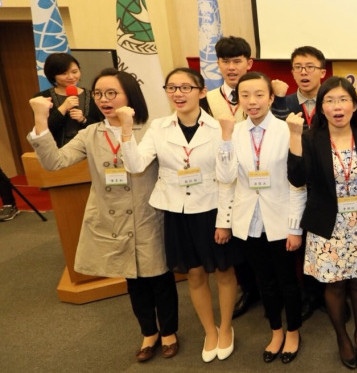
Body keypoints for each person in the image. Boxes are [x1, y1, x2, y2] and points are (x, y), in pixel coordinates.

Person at [28, 69, 178, 362]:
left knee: (160, 278)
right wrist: (40, 120)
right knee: (134, 280)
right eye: (98, 93)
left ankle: (170, 331)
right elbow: (54, 162)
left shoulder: (151, 128)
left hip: (149, 214)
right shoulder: (90, 133)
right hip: (114, 220)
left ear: (129, 95)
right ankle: (149, 332)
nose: (103, 99)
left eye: (112, 93)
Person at [118, 67, 243, 362]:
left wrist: (225, 221)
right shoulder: (159, 127)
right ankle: (209, 330)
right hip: (177, 211)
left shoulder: (220, 127)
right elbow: (135, 166)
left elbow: (228, 177)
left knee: (224, 271)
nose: (178, 93)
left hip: (212, 208)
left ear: (201, 91)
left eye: (186, 87)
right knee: (195, 274)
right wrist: (126, 131)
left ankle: (226, 327)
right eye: (172, 88)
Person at [288, 76, 357, 369]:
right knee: (334, 287)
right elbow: (296, 179)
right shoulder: (310, 139)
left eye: (343, 100)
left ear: (354, 106)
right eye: (330, 101)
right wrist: (294, 137)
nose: (337, 106)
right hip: (327, 227)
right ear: (321, 108)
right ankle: (342, 337)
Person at [216, 71, 307, 364]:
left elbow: (297, 185)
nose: (252, 101)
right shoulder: (233, 132)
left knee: (287, 281)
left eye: (259, 95)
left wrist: (295, 228)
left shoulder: (286, 130)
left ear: (270, 98)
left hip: (280, 219)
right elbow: (225, 178)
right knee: (264, 281)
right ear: (238, 99)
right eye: (245, 95)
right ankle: (276, 331)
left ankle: (293, 332)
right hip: (249, 221)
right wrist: (226, 137)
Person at [270, 45, 330, 321]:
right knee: (300, 241)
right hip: (291, 183)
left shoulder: (333, 101)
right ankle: (308, 295)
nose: (304, 72)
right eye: (298, 67)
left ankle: (327, 294)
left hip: (324, 184)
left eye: (310, 67)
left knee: (324, 239)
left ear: (322, 72)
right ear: (292, 72)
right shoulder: (282, 103)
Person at [206, 35, 261, 318]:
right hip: (225, 181)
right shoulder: (207, 100)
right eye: (225, 61)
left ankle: (269, 288)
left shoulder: (262, 95)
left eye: (237, 61)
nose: (231, 67)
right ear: (218, 64)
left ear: (249, 63)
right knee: (239, 243)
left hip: (260, 180)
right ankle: (248, 290)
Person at [33, 52, 104, 147]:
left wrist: (84, 119)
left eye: (74, 72)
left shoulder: (93, 95)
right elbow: (42, 131)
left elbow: (102, 126)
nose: (71, 77)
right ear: (52, 75)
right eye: (64, 73)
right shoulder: (42, 98)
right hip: (57, 150)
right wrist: (63, 108)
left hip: (90, 148)